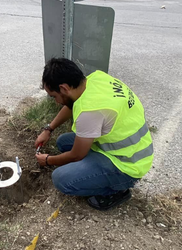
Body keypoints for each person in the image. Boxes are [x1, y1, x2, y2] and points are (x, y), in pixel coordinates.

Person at [35, 58, 154, 211]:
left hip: (127, 164)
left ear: (64, 88)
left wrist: (48, 160)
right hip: (131, 147)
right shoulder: (94, 79)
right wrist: (48, 130)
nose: (57, 102)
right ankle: (94, 169)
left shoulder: (90, 112)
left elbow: (76, 155)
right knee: (63, 142)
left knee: (61, 179)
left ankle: (118, 190)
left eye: (54, 96)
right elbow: (71, 105)